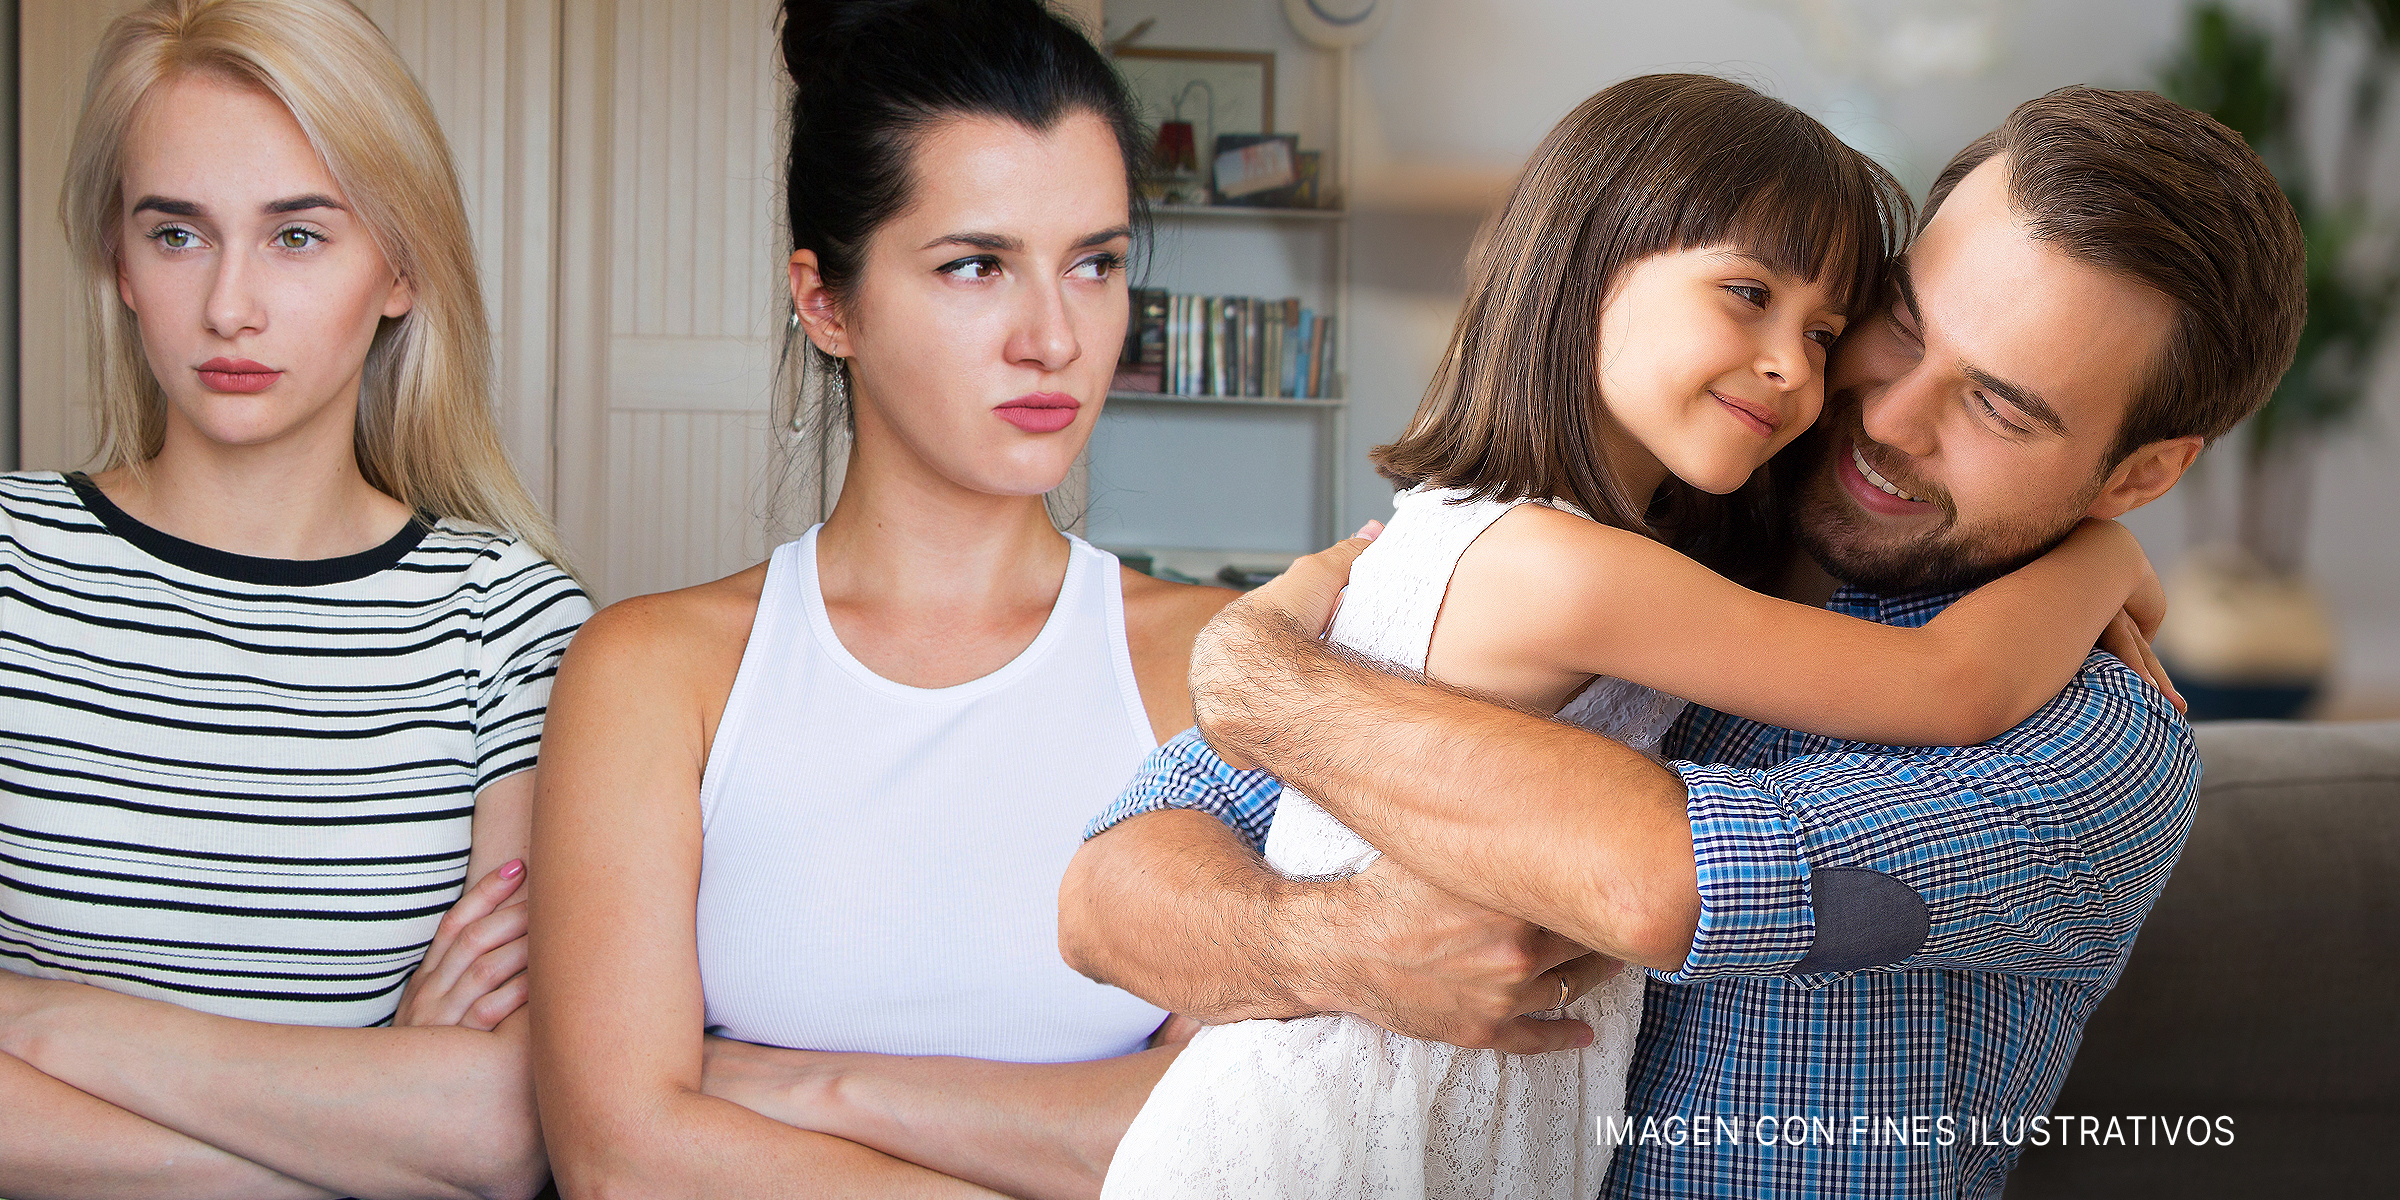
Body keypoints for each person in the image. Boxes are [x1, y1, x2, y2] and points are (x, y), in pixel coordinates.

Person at [1062, 84, 2304, 1198]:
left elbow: (1657, 883)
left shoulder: (2092, 738)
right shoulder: (1631, 540)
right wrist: (1332, 947)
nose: (1885, 412)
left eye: (1998, 405)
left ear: (2138, 473)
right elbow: (1106, 896)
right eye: (1903, 325)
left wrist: (1258, 673)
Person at [527, 2, 1233, 1197]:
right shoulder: (654, 674)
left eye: (1095, 263)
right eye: (975, 265)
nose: (1053, 338)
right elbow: (620, 1163)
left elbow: (1236, 1144)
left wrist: (809, 1087)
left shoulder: (1212, 671)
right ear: (827, 303)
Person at [0, 2, 587, 1198]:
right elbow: (443, 1145)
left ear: (402, 268)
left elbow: (500, 1127)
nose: (230, 308)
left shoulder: (511, 622)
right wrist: (366, 1115)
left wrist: (48, 1026)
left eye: (299, 237)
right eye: (176, 234)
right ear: (118, 258)